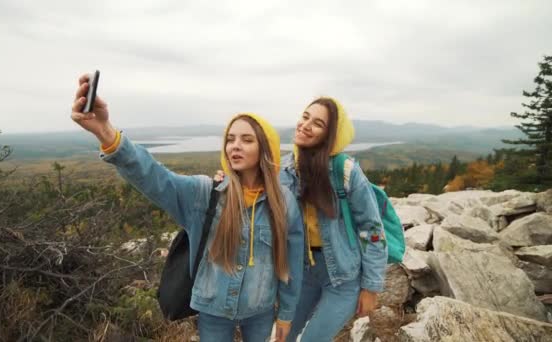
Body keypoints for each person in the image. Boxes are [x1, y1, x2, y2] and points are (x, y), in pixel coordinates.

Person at [70, 74, 304, 342]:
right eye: (230, 139)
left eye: (247, 140)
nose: (235, 145)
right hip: (212, 308)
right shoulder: (205, 194)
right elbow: (155, 177)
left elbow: (291, 263)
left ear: (265, 148)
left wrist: (286, 313)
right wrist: (106, 132)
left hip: (260, 309)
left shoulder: (283, 202)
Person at [282, 97, 388, 341]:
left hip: (343, 276)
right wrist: (222, 179)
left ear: (330, 135)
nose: (306, 125)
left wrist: (371, 287)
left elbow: (372, 229)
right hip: (303, 273)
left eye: (317, 123)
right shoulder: (285, 169)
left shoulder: (345, 170)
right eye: (305, 117)